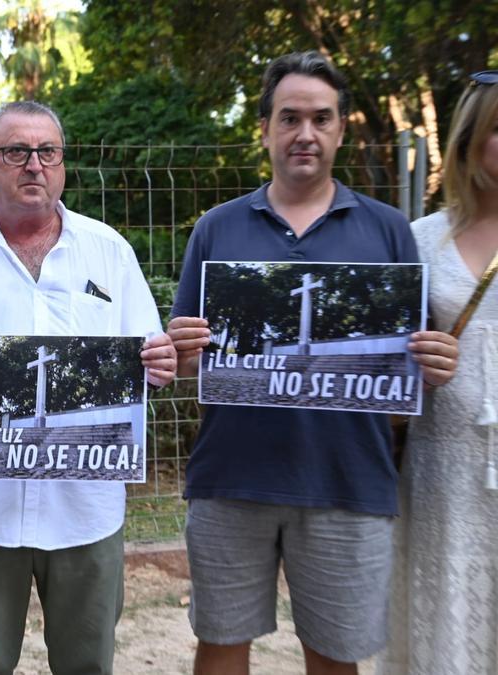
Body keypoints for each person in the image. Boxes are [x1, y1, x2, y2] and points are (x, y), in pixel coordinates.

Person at [167, 51, 459, 675]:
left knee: (335, 657)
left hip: (347, 484)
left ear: (341, 128)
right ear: (267, 128)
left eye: (321, 119)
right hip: (230, 480)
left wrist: (432, 360)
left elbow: (409, 361)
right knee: (220, 645)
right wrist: (182, 351)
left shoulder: (388, 232)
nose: (305, 133)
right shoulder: (216, 230)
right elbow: (186, 363)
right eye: (290, 118)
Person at [0, 100, 177, 675]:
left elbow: (148, 357)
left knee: (88, 663)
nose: (33, 166)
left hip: (87, 510)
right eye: (16, 151)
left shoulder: (110, 252)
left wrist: (161, 360)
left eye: (47, 152)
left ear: (63, 164)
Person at [379, 70, 498, 675]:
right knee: (443, 620)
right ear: (471, 139)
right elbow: (382, 361)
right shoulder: (419, 239)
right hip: (443, 471)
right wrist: (417, 364)